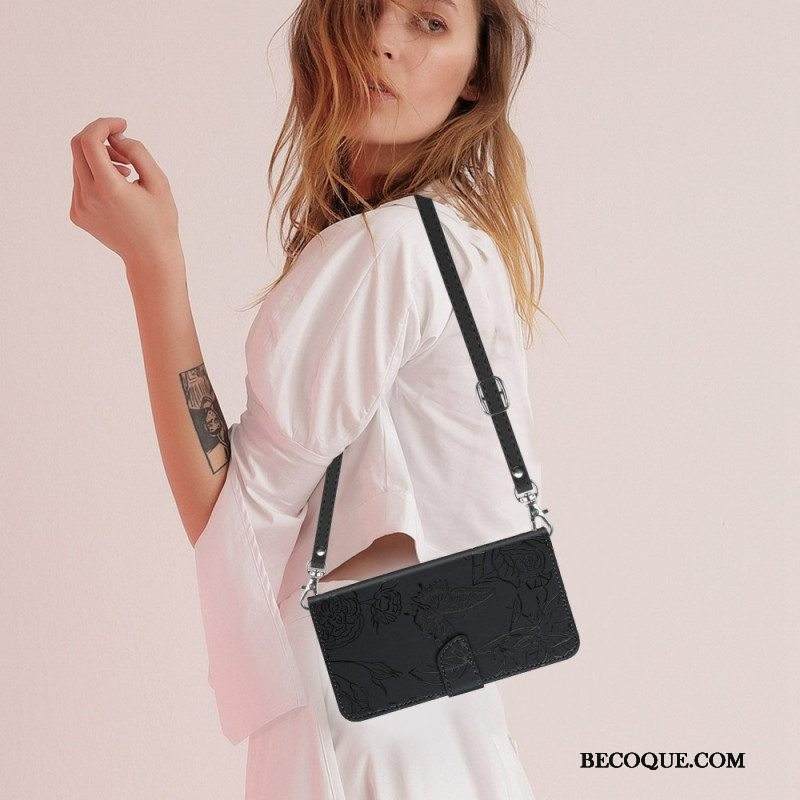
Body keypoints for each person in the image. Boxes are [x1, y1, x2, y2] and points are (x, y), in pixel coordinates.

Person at [68, 1, 550, 796]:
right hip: (443, 708)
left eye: (430, 23)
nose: (383, 42)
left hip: (356, 716)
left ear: (476, 76)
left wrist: (152, 262)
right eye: (369, 9)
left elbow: (233, 521)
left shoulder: (389, 249)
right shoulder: (457, 240)